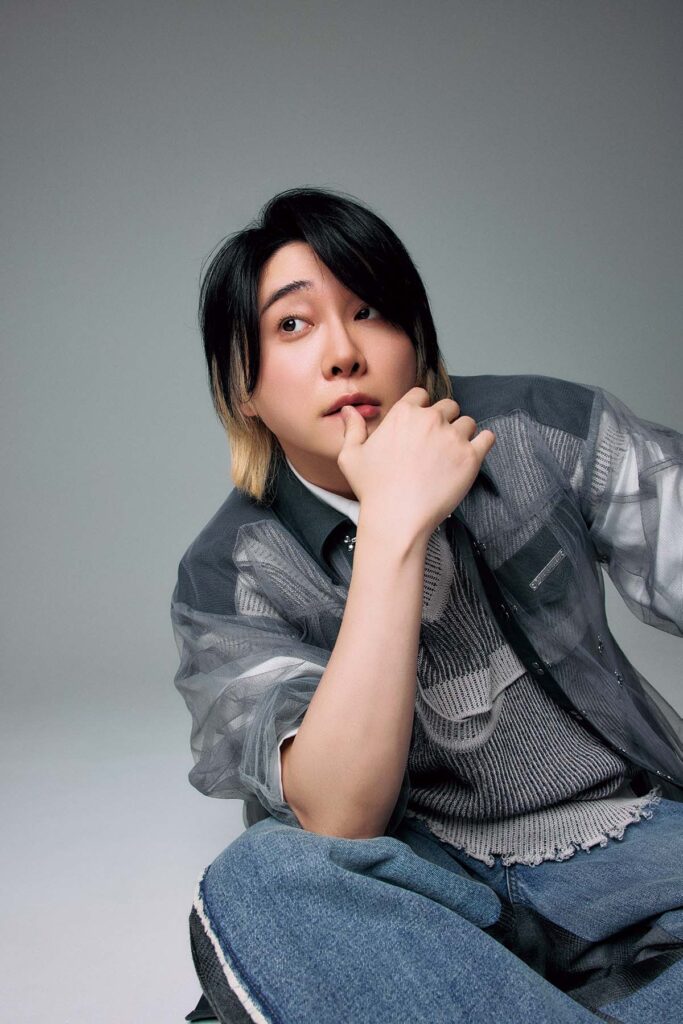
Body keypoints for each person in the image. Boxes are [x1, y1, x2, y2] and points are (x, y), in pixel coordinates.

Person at [170, 186, 683, 1024]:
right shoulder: (231, 572)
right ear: (243, 390)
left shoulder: (543, 430)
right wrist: (392, 525)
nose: (343, 353)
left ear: (416, 339)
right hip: (425, 893)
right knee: (261, 880)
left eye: (367, 310)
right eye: (292, 325)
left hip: (631, 853)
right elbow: (338, 818)